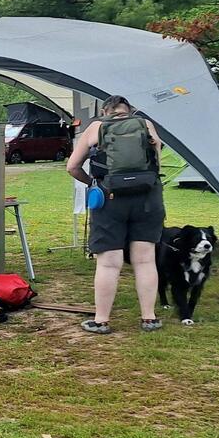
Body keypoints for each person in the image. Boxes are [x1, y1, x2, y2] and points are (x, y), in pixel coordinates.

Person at [67, 95, 164, 333]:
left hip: (109, 198)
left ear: (106, 111)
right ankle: (149, 318)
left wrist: (92, 182)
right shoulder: (145, 125)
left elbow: (72, 166)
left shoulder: (96, 128)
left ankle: (101, 320)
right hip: (147, 198)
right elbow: (157, 161)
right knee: (145, 259)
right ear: (128, 110)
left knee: (109, 264)